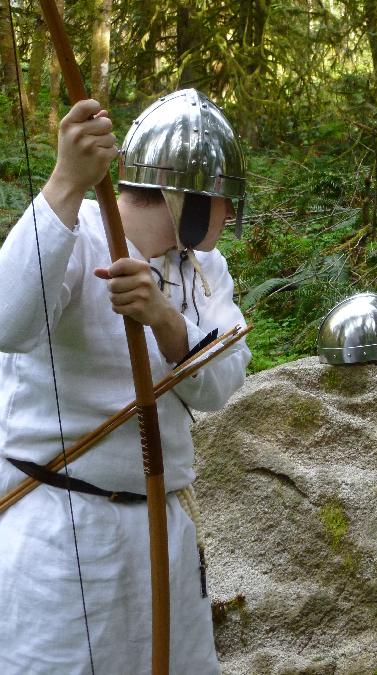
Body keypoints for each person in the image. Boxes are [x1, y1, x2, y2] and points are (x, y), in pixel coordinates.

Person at [0, 89, 251, 673]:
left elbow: (220, 383)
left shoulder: (205, 270)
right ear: (189, 198)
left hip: (161, 533)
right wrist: (66, 181)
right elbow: (7, 322)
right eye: (222, 201)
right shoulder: (74, 232)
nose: (229, 216)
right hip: (59, 532)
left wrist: (166, 320)